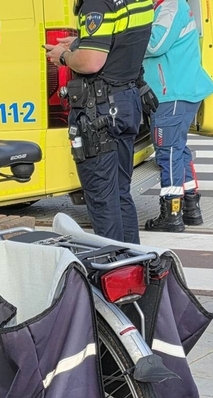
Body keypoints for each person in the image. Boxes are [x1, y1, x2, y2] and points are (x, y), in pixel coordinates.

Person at [45, 0, 154, 243]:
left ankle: (110, 264)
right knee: (120, 193)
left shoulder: (96, 3)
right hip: (125, 101)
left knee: (103, 199)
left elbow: (91, 62)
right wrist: (79, 44)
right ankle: (132, 261)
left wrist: (64, 56)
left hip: (99, 111)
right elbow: (122, 44)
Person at [141, 0, 213, 233]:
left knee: (168, 152)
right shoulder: (170, 6)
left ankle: (172, 214)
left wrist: (127, 38)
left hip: (171, 92)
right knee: (178, 149)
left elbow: (155, 44)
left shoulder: (171, 6)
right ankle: (191, 207)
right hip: (179, 90)